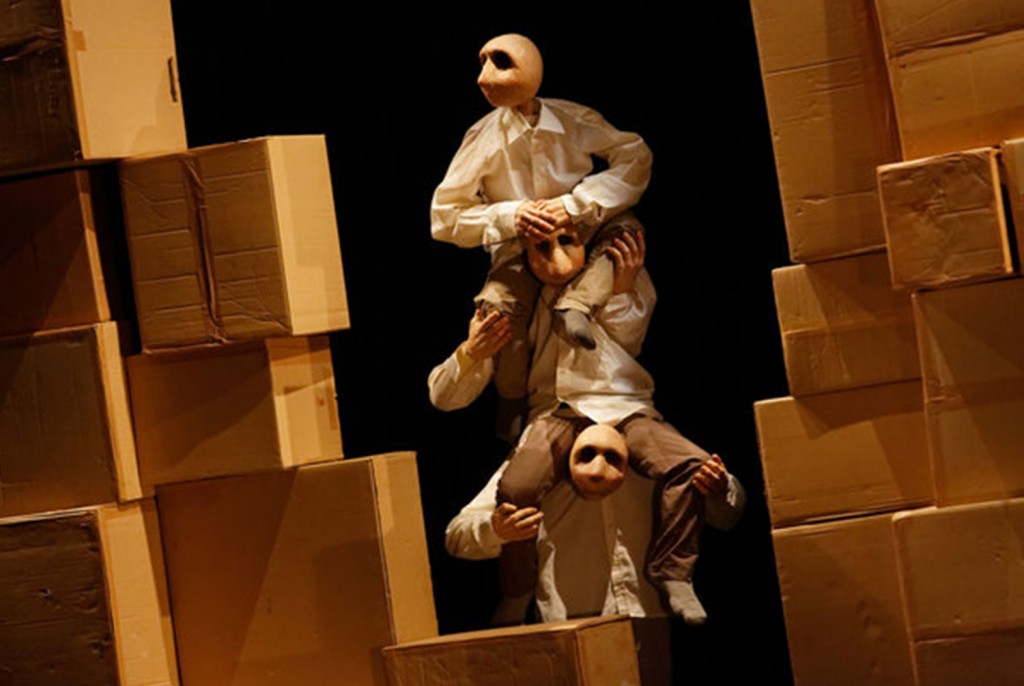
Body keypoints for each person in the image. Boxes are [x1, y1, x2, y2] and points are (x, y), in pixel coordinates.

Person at [429, 229, 725, 626]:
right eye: (542, 247)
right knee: (518, 488)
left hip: (647, 619)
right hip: (569, 627)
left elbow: (722, 511)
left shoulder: (645, 439)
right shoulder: (536, 457)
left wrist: (718, 490)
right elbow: (458, 534)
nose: (556, 258)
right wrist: (498, 530)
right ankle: (516, 592)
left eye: (567, 241)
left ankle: (672, 574)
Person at [431, 33, 651, 439]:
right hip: (516, 246)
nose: (484, 77)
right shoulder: (483, 139)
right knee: (499, 309)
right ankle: (511, 396)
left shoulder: (572, 120)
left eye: (500, 62)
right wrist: (512, 216)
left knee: (625, 236)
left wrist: (577, 204)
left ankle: (578, 303)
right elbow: (444, 217)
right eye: (482, 63)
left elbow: (634, 155)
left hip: (586, 230)